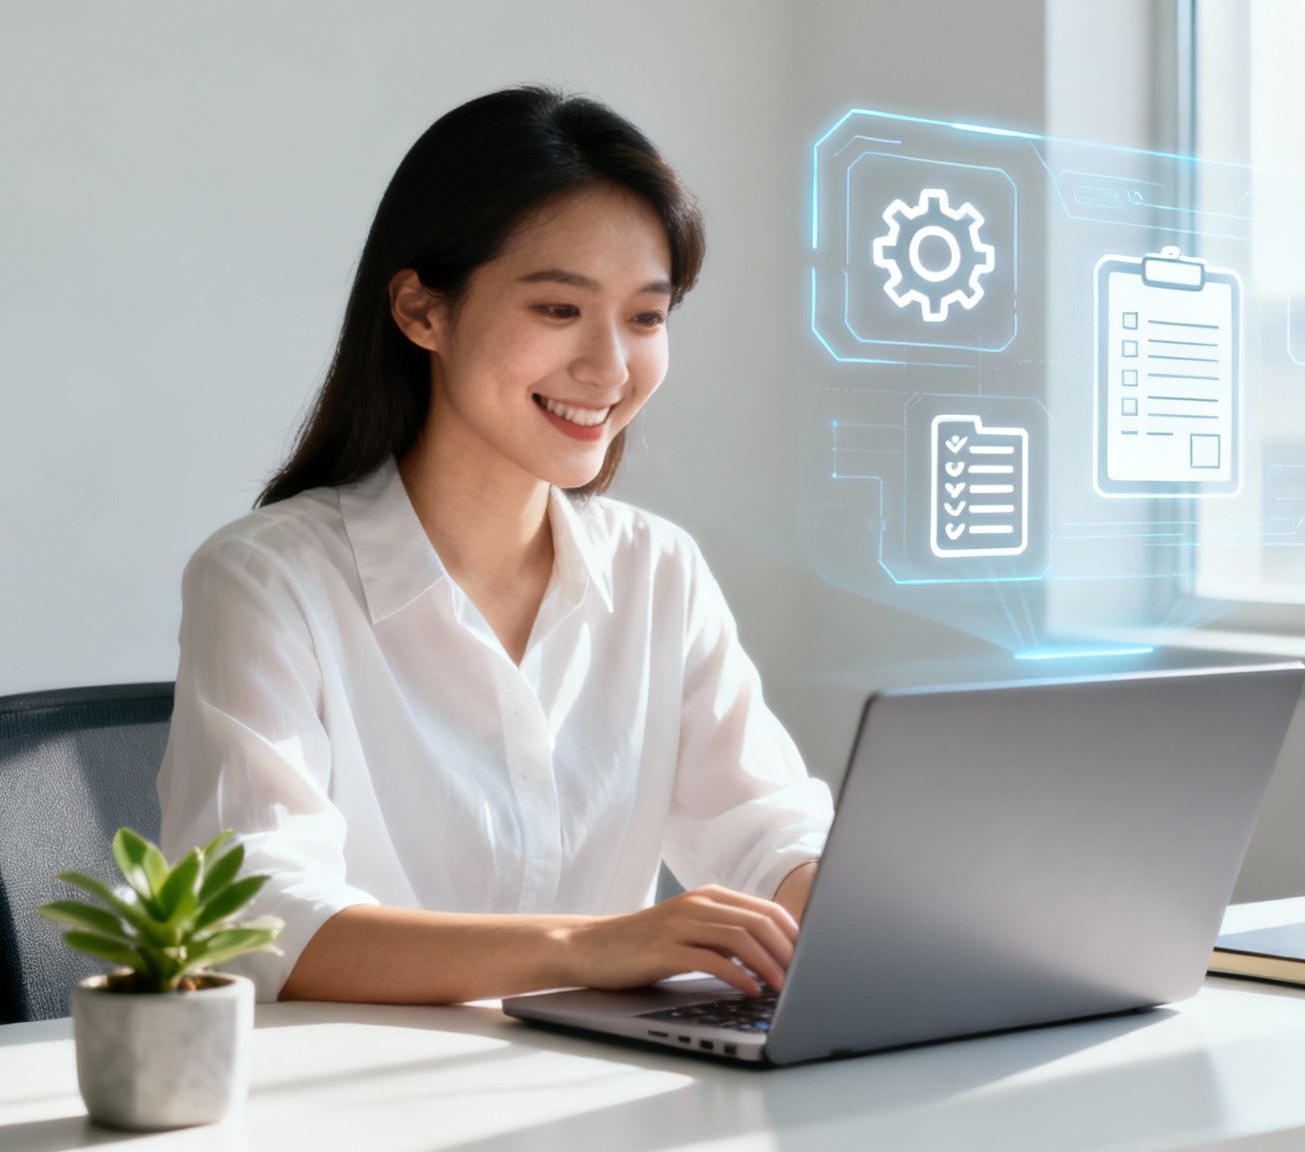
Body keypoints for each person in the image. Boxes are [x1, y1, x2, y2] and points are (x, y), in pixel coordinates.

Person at [155, 85, 832, 1006]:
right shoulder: (271, 581)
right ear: (421, 311)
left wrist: (851, 906)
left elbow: (768, 829)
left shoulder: (656, 571)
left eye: (645, 317)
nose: (610, 367)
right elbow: (252, 922)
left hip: (609, 1082)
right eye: (558, 309)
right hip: (358, 1085)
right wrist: (591, 946)